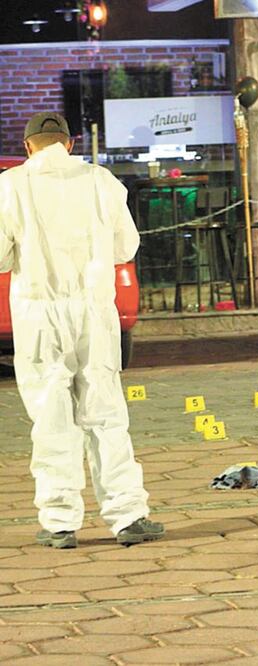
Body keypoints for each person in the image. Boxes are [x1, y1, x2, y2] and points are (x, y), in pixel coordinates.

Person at [0, 112, 164, 548]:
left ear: (28, 145)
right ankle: (127, 516)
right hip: (93, 310)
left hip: (39, 313)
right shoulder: (103, 182)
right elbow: (125, 246)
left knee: (50, 416)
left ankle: (59, 522)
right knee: (105, 412)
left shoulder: (11, 185)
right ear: (69, 143)